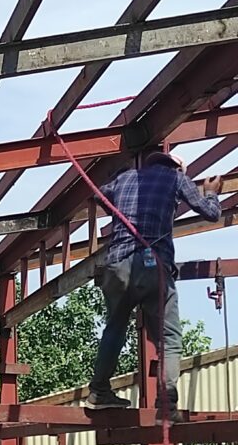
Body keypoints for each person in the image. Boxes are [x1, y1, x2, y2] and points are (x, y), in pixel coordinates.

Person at [85, 151, 222, 421]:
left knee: (114, 329)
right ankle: (166, 405)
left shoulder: (124, 179)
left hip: (117, 266)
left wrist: (120, 200)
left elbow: (99, 194)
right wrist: (210, 192)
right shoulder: (176, 178)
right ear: (177, 168)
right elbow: (211, 213)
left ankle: (99, 391)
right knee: (168, 338)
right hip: (152, 266)